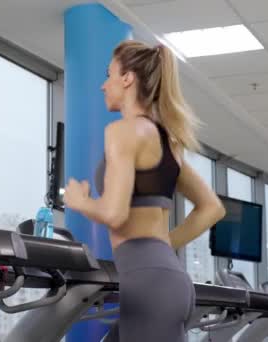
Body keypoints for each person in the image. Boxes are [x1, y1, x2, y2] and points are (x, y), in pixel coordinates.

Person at [63, 40, 226, 342]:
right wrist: (164, 243)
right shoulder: (168, 142)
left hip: (148, 286)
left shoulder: (123, 131)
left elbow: (114, 212)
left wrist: (80, 201)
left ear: (127, 79)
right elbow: (212, 207)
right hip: (169, 281)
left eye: (109, 74)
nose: (103, 85)